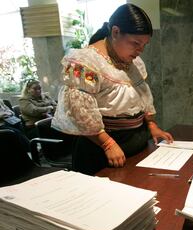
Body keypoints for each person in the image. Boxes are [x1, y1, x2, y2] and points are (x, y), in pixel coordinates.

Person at [52, 4, 173, 175]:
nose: (140, 50)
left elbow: (142, 95)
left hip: (136, 141)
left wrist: (151, 124)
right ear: (115, 32)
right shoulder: (84, 62)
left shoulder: (133, 62)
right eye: (136, 43)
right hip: (103, 148)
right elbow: (79, 110)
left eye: (144, 44)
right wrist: (107, 143)